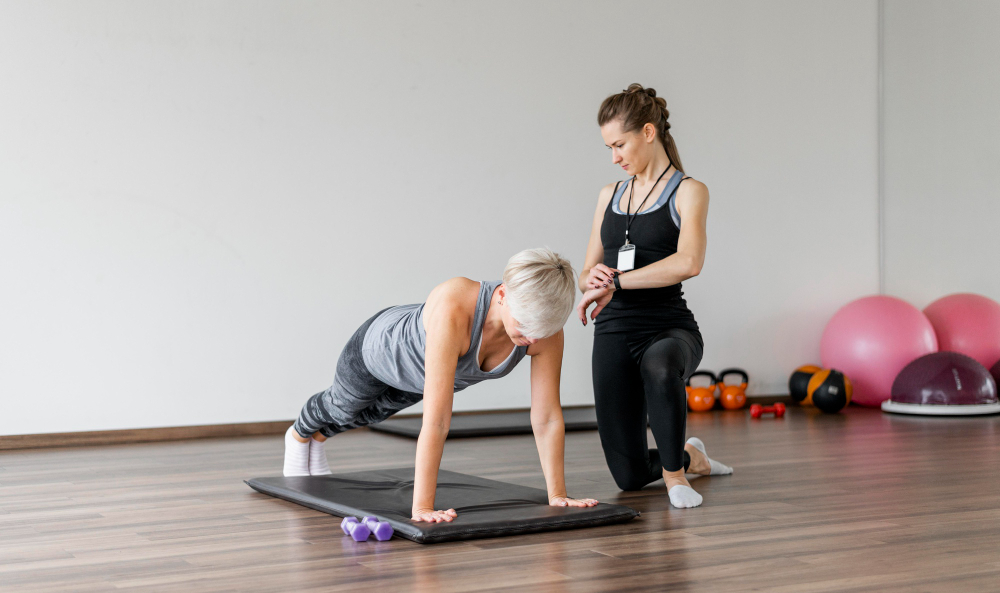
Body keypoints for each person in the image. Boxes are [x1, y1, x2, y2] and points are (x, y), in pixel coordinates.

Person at [284, 247, 598, 522]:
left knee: (369, 417)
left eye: (541, 330)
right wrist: (422, 507)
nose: (531, 339)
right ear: (502, 295)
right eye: (525, 326)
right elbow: (437, 421)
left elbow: (546, 418)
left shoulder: (546, 332)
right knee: (343, 407)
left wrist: (558, 494)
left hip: (415, 379)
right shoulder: (455, 303)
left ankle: (318, 441)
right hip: (377, 351)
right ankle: (298, 436)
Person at [576, 84, 733, 509]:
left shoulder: (688, 191)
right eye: (609, 147)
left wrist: (619, 283)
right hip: (613, 333)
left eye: (619, 144)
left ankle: (675, 475)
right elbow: (587, 268)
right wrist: (593, 278)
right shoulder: (609, 194)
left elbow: (689, 262)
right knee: (627, 477)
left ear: (648, 132)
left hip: (668, 327)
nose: (614, 156)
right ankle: (690, 455)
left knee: (661, 365)